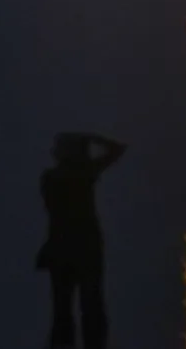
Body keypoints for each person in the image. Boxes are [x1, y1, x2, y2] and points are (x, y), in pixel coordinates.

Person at [36, 132, 127, 349]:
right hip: (86, 247)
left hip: (60, 247)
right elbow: (117, 150)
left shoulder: (51, 177)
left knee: (62, 307)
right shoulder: (85, 172)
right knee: (91, 305)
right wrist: (93, 138)